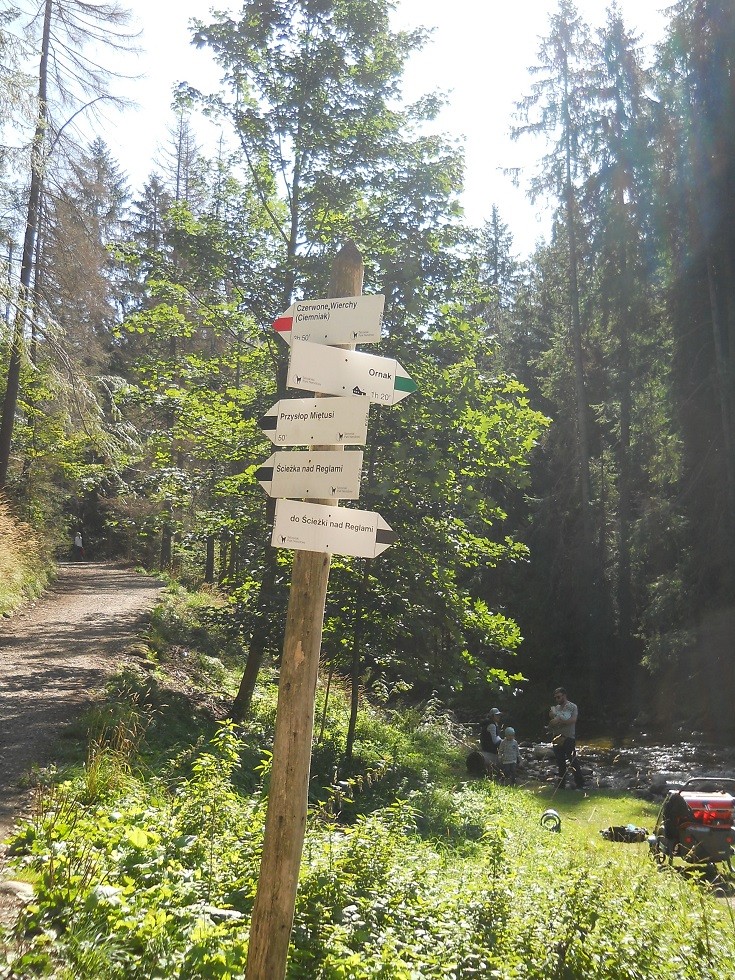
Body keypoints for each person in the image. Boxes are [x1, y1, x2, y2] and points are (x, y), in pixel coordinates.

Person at [548, 686, 584, 789]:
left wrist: (559, 721)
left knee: (572, 760)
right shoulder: (556, 708)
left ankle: (580, 783)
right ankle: (561, 784)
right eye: (555, 698)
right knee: (560, 762)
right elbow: (552, 723)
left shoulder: (572, 707)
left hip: (568, 737)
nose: (557, 699)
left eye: (559, 697)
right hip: (557, 737)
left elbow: (573, 720)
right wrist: (551, 721)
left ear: (564, 695)